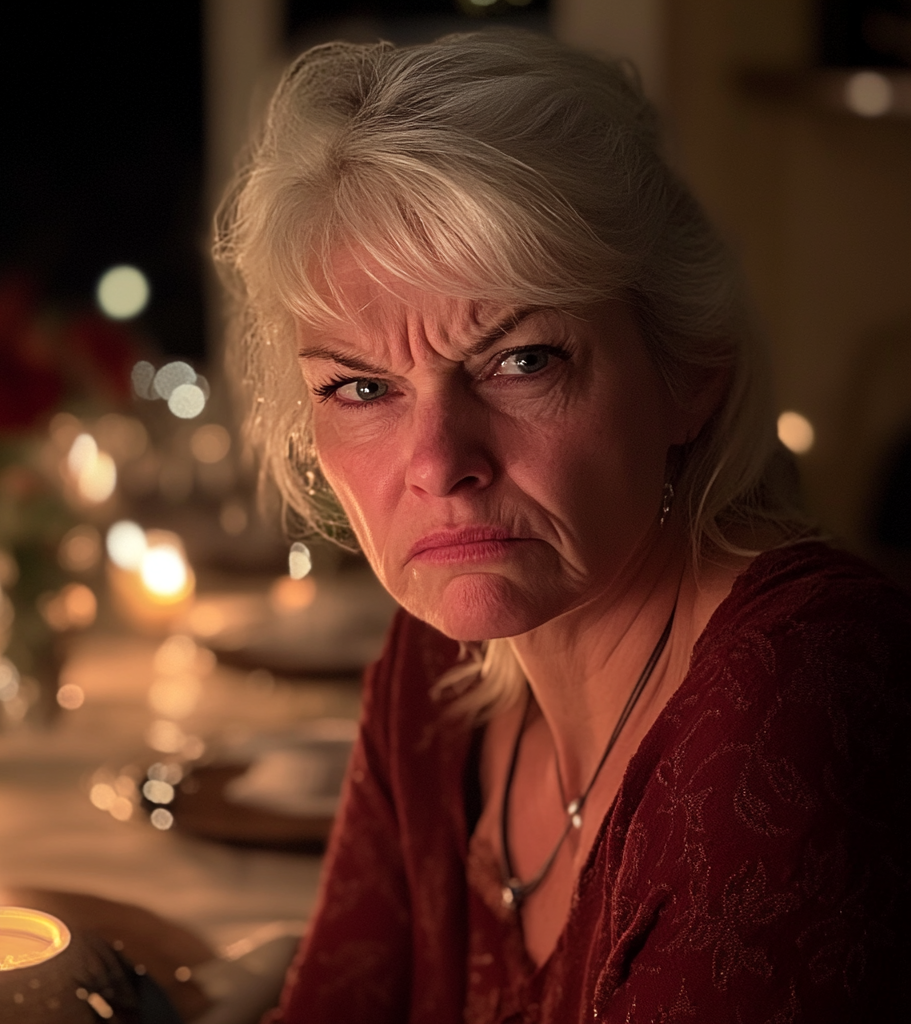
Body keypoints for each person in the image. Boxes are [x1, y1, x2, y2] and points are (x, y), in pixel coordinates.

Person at [214, 30, 911, 1024]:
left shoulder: (802, 690)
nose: (439, 463)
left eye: (523, 360)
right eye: (361, 386)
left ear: (688, 377)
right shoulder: (437, 664)